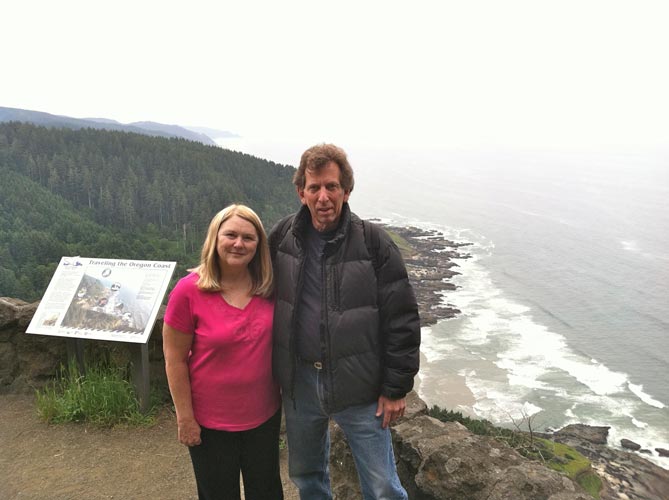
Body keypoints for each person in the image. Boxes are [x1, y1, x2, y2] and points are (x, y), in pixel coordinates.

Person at [269, 144, 420, 499]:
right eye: (314, 187)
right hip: (301, 383)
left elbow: (402, 318)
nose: (323, 197)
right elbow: (244, 279)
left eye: (332, 187)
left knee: (383, 487)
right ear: (301, 192)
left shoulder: (374, 243)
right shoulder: (281, 237)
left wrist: (396, 387)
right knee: (307, 478)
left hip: (361, 385)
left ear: (346, 191)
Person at [163, 204, 283, 500]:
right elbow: (175, 360)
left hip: (264, 418)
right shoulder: (188, 291)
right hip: (210, 424)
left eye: (248, 237)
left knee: (267, 493)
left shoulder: (269, 288)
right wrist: (185, 418)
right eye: (230, 235)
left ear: (259, 245)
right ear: (215, 238)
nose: (239, 244)